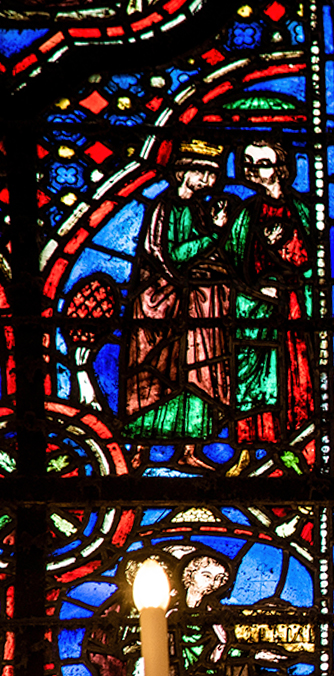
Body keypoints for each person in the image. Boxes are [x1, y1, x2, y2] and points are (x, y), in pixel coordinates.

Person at [123, 140, 234, 457]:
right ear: (185, 171)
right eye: (204, 173)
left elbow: (201, 256)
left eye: (212, 175)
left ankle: (189, 452)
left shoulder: (197, 208)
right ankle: (139, 452)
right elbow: (173, 256)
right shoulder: (166, 208)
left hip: (194, 303)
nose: (209, 182)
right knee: (156, 379)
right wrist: (213, 231)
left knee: (195, 377)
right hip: (162, 302)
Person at [226, 140, 315, 454]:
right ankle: (250, 450)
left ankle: (300, 446)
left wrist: (284, 249)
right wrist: (254, 287)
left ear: (281, 168)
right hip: (254, 310)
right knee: (253, 383)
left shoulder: (304, 210)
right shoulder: (246, 213)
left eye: (261, 162)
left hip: (295, 308)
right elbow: (232, 262)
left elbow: (318, 262)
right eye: (248, 161)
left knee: (296, 374)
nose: (251, 169)